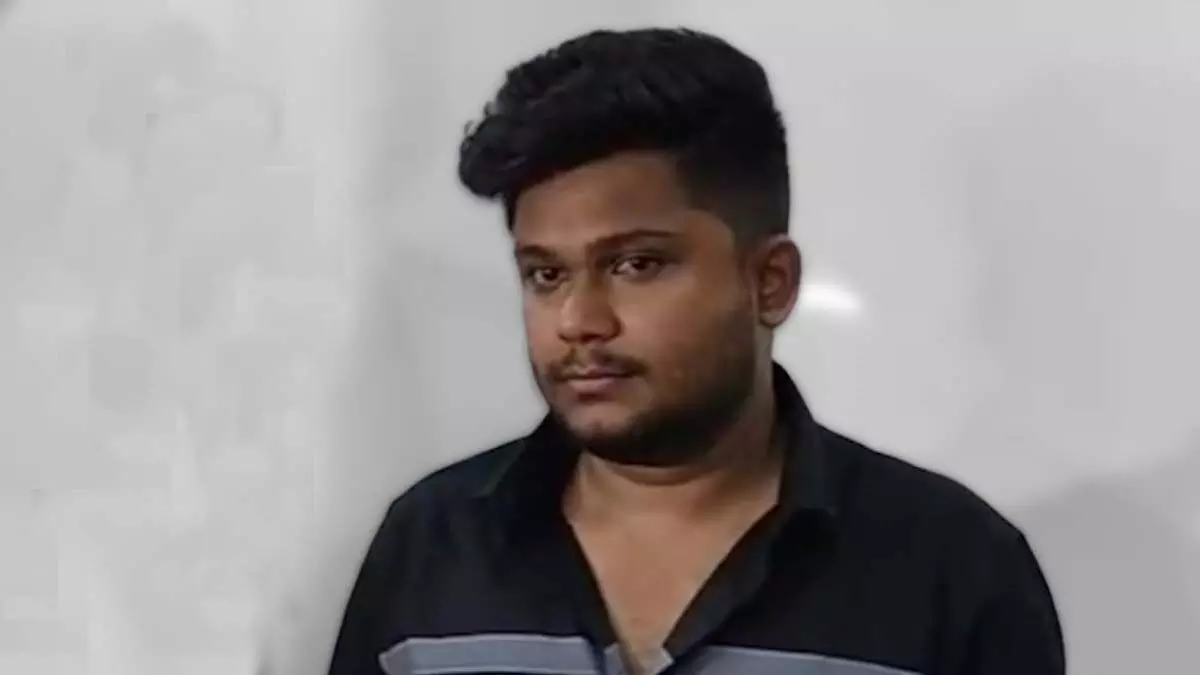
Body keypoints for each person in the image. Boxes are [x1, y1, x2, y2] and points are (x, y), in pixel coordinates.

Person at [327, 27, 1065, 675]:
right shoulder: (430, 547)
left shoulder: (952, 568)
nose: (579, 320)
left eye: (635, 265)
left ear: (769, 282)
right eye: (546, 275)